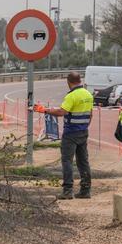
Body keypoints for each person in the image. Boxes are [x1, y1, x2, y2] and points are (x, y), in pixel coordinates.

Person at [34, 72, 93, 200]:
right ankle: (85, 190)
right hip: (83, 132)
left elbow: (62, 112)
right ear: (79, 80)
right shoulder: (88, 94)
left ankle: (67, 191)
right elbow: (90, 114)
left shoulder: (71, 96)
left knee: (67, 161)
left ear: (68, 81)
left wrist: (45, 110)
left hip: (71, 133)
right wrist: (84, 127)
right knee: (83, 161)